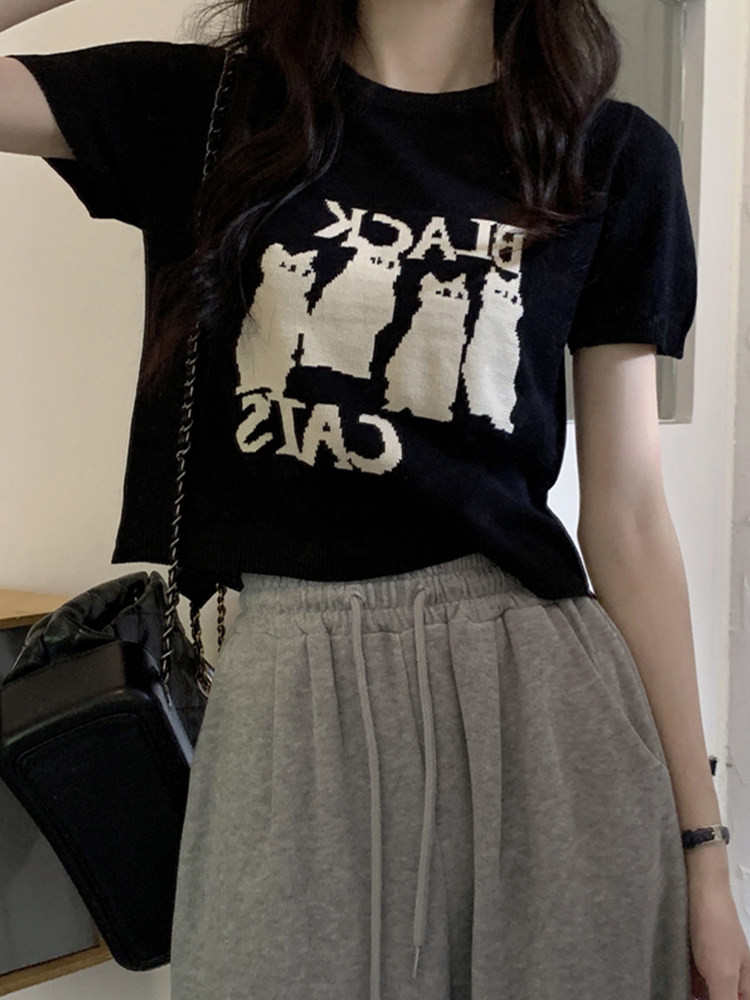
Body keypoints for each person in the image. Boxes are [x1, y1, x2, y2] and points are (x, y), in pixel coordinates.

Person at [2, 0, 749, 997]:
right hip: (288, 697)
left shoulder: (609, 154)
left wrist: (704, 851)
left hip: (538, 705)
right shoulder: (212, 109)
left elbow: (631, 515)